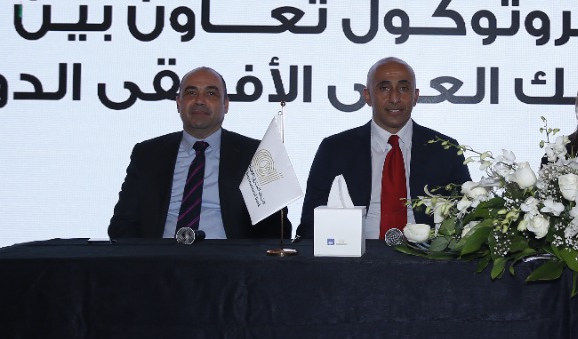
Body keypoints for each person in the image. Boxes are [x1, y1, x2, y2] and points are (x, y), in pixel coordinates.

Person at [108, 66, 291, 240]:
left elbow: (276, 229)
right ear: (179, 103)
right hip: (161, 257)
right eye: (191, 92)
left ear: (225, 104)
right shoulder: (148, 154)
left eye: (211, 93)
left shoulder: (255, 154)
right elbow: (123, 223)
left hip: (229, 258)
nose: (199, 101)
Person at [298, 57, 471, 239]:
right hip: (355, 254)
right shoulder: (334, 149)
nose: (395, 98)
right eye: (384, 88)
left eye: (403, 89)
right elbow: (311, 223)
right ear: (367, 96)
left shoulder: (445, 150)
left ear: (415, 96)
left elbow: (466, 219)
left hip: (426, 254)